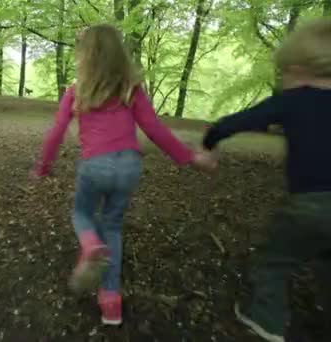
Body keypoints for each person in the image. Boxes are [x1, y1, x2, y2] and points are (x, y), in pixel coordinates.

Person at [32, 24, 216, 326]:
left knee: (82, 214)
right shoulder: (131, 90)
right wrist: (189, 157)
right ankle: (111, 302)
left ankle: (90, 246)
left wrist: (43, 167)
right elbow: (155, 129)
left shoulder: (76, 92)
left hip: (95, 166)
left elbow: (56, 133)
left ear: (85, 56)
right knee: (113, 226)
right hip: (129, 166)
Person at [201, 18, 331, 342]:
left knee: (273, 261)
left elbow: (241, 120)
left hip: (308, 205)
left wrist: (210, 140)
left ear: (299, 68)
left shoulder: (294, 98)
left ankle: (265, 319)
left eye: (284, 72)